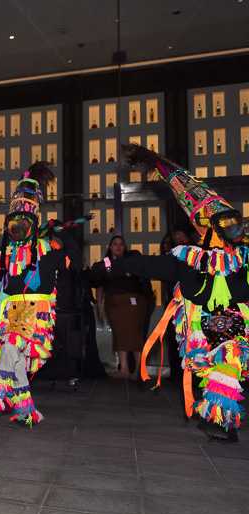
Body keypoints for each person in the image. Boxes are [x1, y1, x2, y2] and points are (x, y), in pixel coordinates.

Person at [92, 144, 249, 442]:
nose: (233, 228)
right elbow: (148, 264)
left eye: (235, 222)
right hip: (200, 326)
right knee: (209, 372)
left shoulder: (243, 257)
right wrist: (113, 264)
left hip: (233, 323)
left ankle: (222, 424)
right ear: (210, 228)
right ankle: (219, 421)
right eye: (226, 223)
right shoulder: (187, 258)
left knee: (226, 367)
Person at [0, 162, 80, 427]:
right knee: (16, 361)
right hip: (10, 312)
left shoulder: (48, 250)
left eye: (23, 221)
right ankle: (26, 410)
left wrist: (64, 237)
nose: (17, 226)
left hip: (36, 313)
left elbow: (74, 263)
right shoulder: (5, 256)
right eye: (14, 222)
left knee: (10, 346)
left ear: (33, 223)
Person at [90, 236, 154, 380]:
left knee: (135, 334)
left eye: (121, 244)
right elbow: (100, 284)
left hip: (134, 302)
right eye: (115, 244)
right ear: (110, 247)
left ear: (125, 247)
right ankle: (124, 369)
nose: (118, 247)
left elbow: (143, 278)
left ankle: (139, 370)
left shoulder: (132, 260)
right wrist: (99, 306)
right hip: (114, 303)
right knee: (119, 334)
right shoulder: (105, 263)